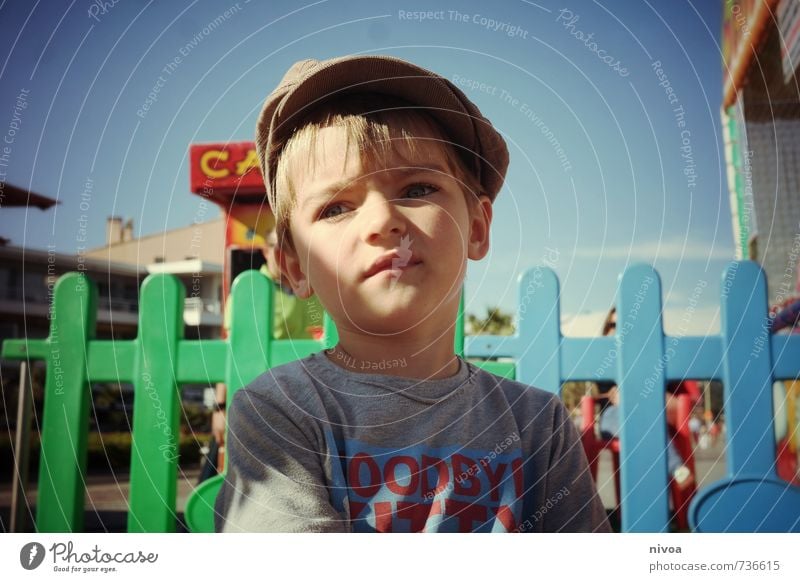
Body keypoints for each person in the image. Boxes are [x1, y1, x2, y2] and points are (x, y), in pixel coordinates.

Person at [214, 55, 611, 533]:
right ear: (296, 265)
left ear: (478, 228)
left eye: (418, 187)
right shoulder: (279, 413)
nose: (384, 221)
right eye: (336, 207)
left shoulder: (538, 424)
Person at [202, 227, 324, 483]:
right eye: (278, 248)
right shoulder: (249, 291)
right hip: (256, 400)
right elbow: (230, 352)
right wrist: (220, 408)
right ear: (265, 250)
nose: (284, 256)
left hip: (298, 401)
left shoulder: (309, 290)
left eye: (290, 249)